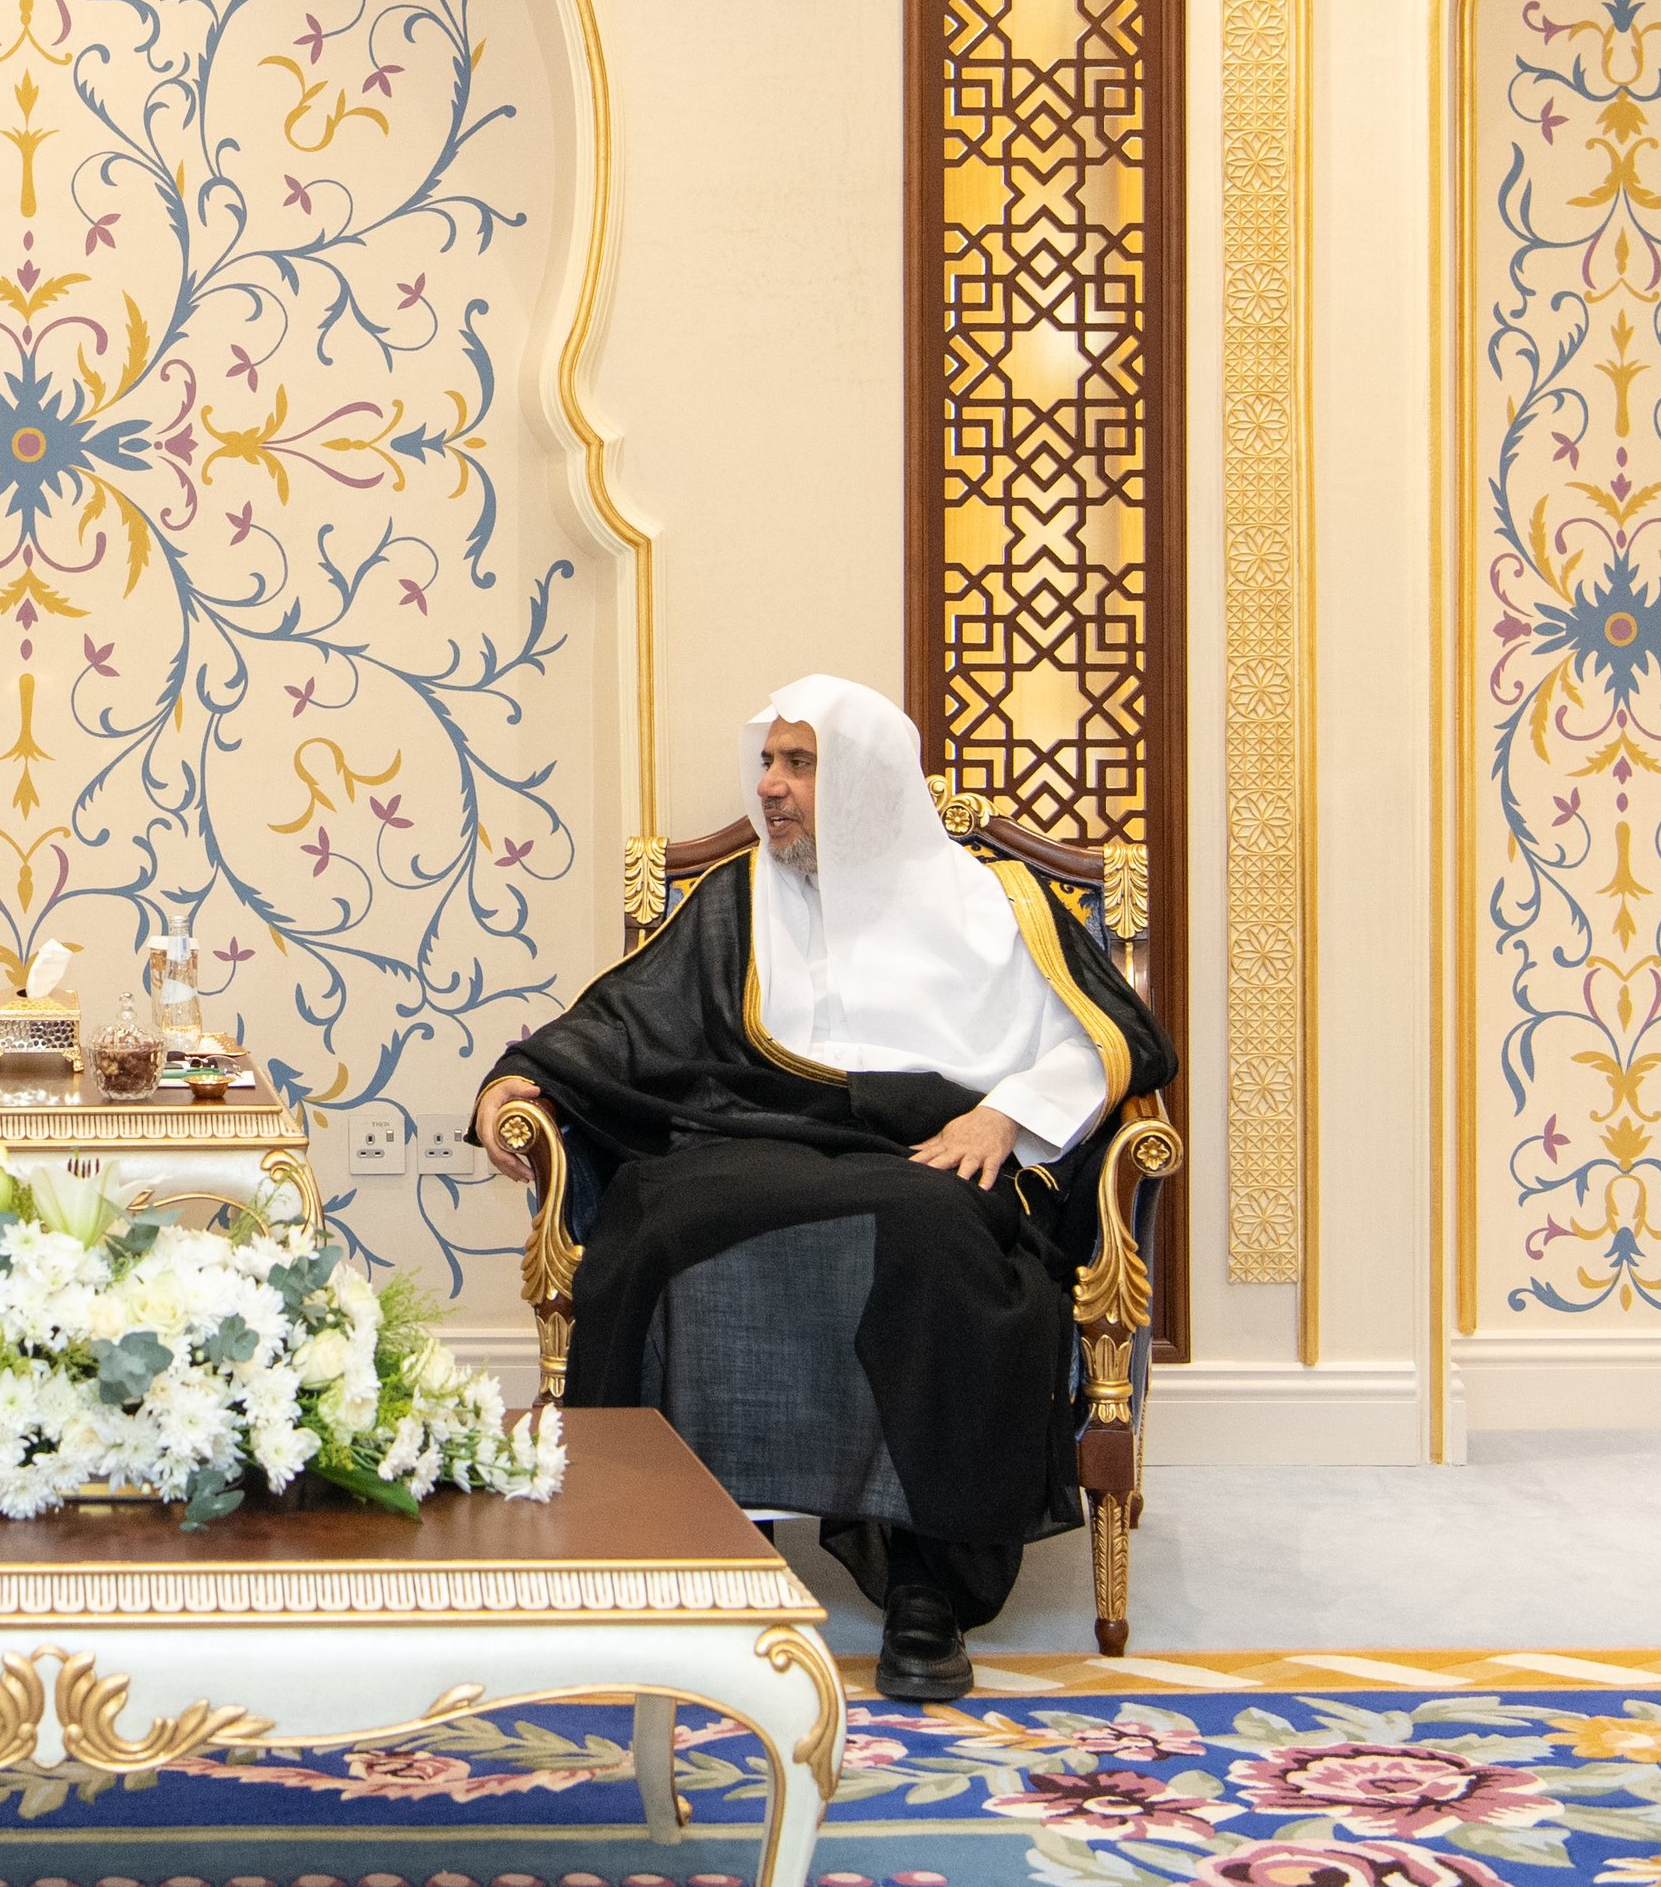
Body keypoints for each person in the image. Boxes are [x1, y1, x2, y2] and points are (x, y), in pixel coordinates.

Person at [471, 673, 1170, 1702]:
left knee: (931, 1229)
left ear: (868, 784)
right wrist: (514, 1082)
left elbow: (1109, 1038)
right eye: (767, 762)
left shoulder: (998, 904)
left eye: (799, 764)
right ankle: (682, 1541)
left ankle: (925, 1577)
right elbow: (624, 1019)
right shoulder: (738, 897)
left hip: (934, 1149)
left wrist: (1003, 1117)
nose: (772, 787)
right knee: (673, 1217)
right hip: (754, 1131)